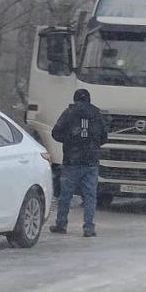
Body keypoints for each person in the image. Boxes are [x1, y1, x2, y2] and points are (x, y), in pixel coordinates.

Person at [50, 88, 108, 237]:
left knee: (65, 195)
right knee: (90, 196)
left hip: (71, 160)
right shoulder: (96, 114)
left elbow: (55, 133)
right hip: (91, 162)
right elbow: (104, 137)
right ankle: (89, 228)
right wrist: (92, 145)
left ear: (75, 99)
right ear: (89, 99)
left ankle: (61, 224)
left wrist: (70, 140)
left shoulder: (69, 113)